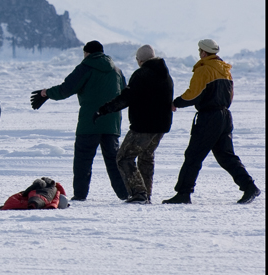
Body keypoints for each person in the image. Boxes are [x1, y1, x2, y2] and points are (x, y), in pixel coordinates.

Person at [163, 39, 260, 205]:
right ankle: (249, 186)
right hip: (225, 116)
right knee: (226, 156)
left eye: (199, 50)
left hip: (209, 117)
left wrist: (175, 103)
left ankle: (183, 193)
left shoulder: (204, 70)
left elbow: (194, 94)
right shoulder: (225, 70)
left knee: (193, 155)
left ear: (203, 52)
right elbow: (230, 95)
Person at [31, 40, 129, 201]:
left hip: (89, 123)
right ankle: (126, 194)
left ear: (87, 53)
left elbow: (66, 89)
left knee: (83, 161)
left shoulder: (86, 67)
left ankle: (80, 195)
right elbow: (125, 95)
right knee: (114, 161)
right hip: (112, 124)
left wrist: (46, 93)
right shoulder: (117, 71)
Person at [94, 45, 173, 203]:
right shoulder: (166, 75)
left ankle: (138, 193)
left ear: (140, 60)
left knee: (124, 157)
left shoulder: (141, 74)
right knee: (146, 157)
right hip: (161, 126)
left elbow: (127, 97)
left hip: (144, 126)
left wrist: (104, 109)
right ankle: (146, 194)